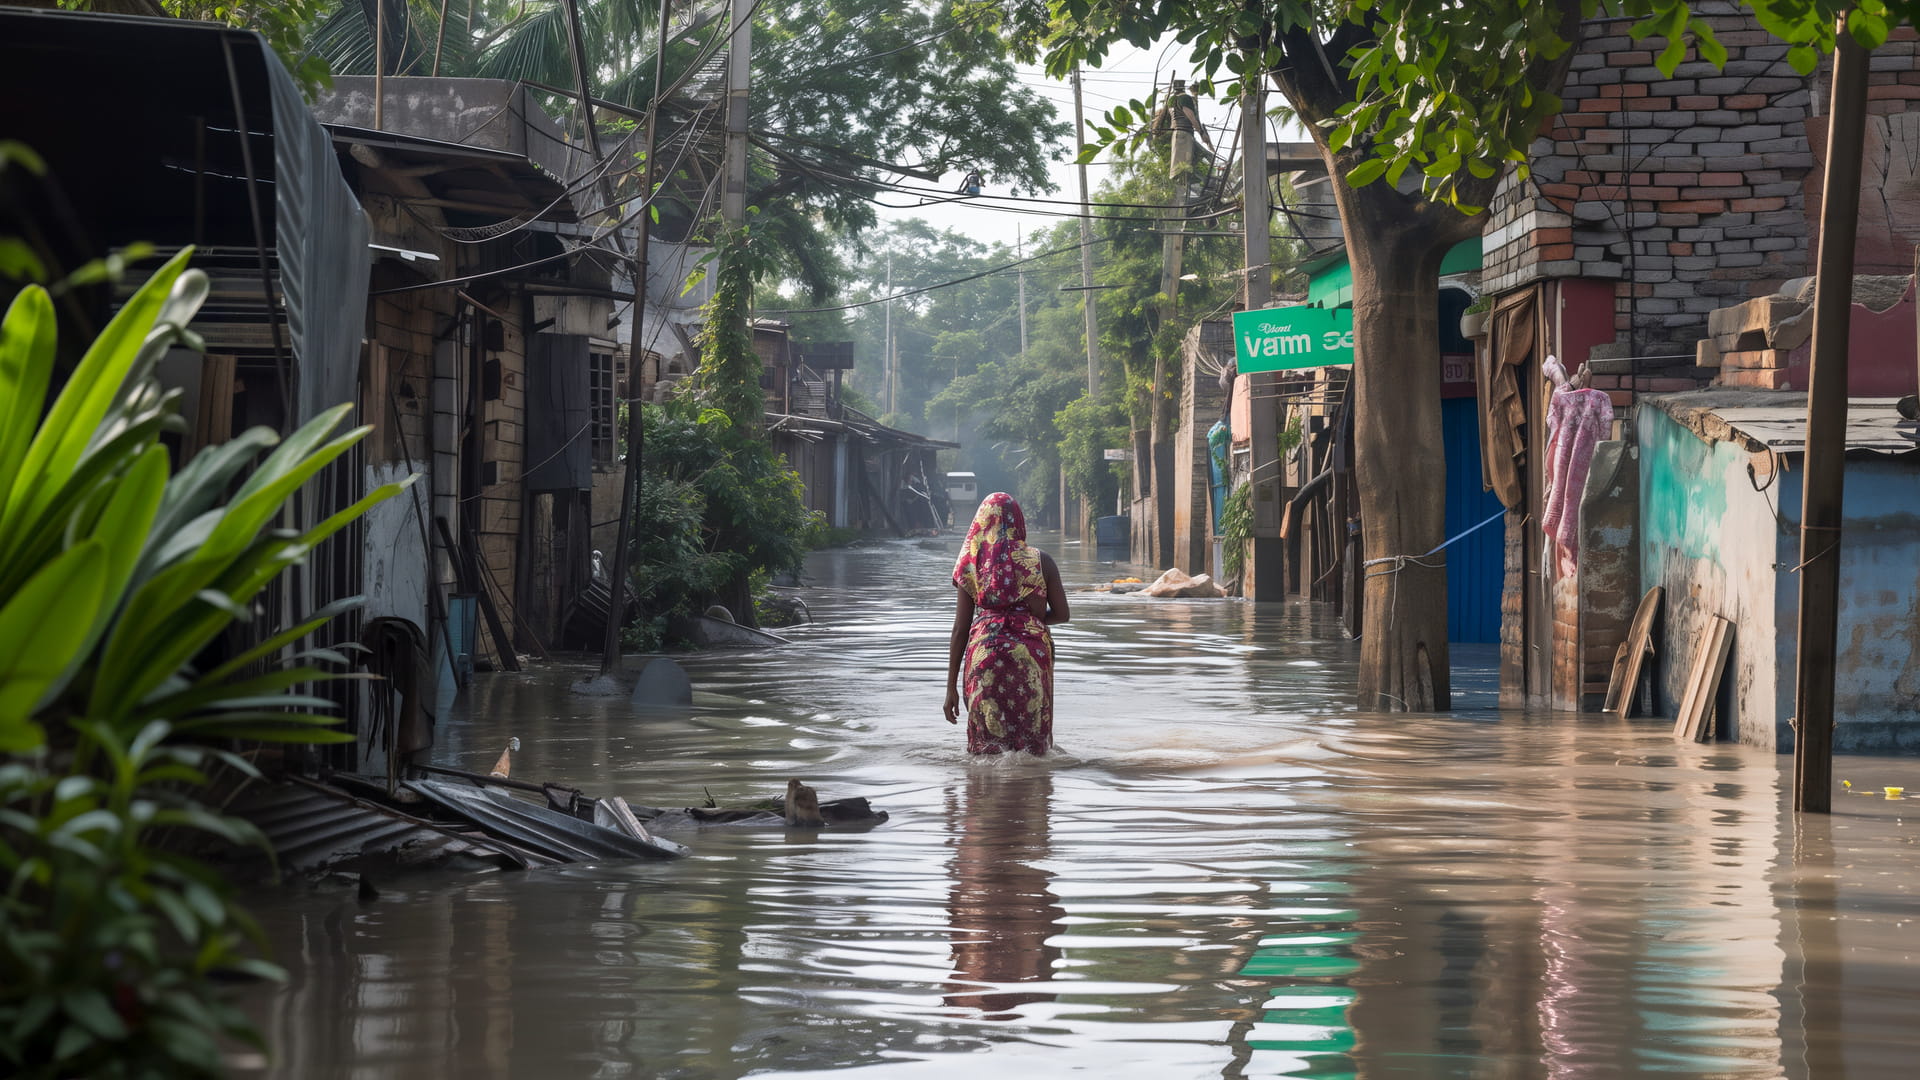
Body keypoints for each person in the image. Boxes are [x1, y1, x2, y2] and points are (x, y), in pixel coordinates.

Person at [943, 493, 1070, 755]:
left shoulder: (971, 565)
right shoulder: (1041, 560)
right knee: (1033, 748)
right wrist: (1028, 620)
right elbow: (1063, 614)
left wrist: (950, 688)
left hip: (984, 655)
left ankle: (982, 793)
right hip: (1031, 656)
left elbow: (960, 629)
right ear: (1019, 522)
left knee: (986, 751)